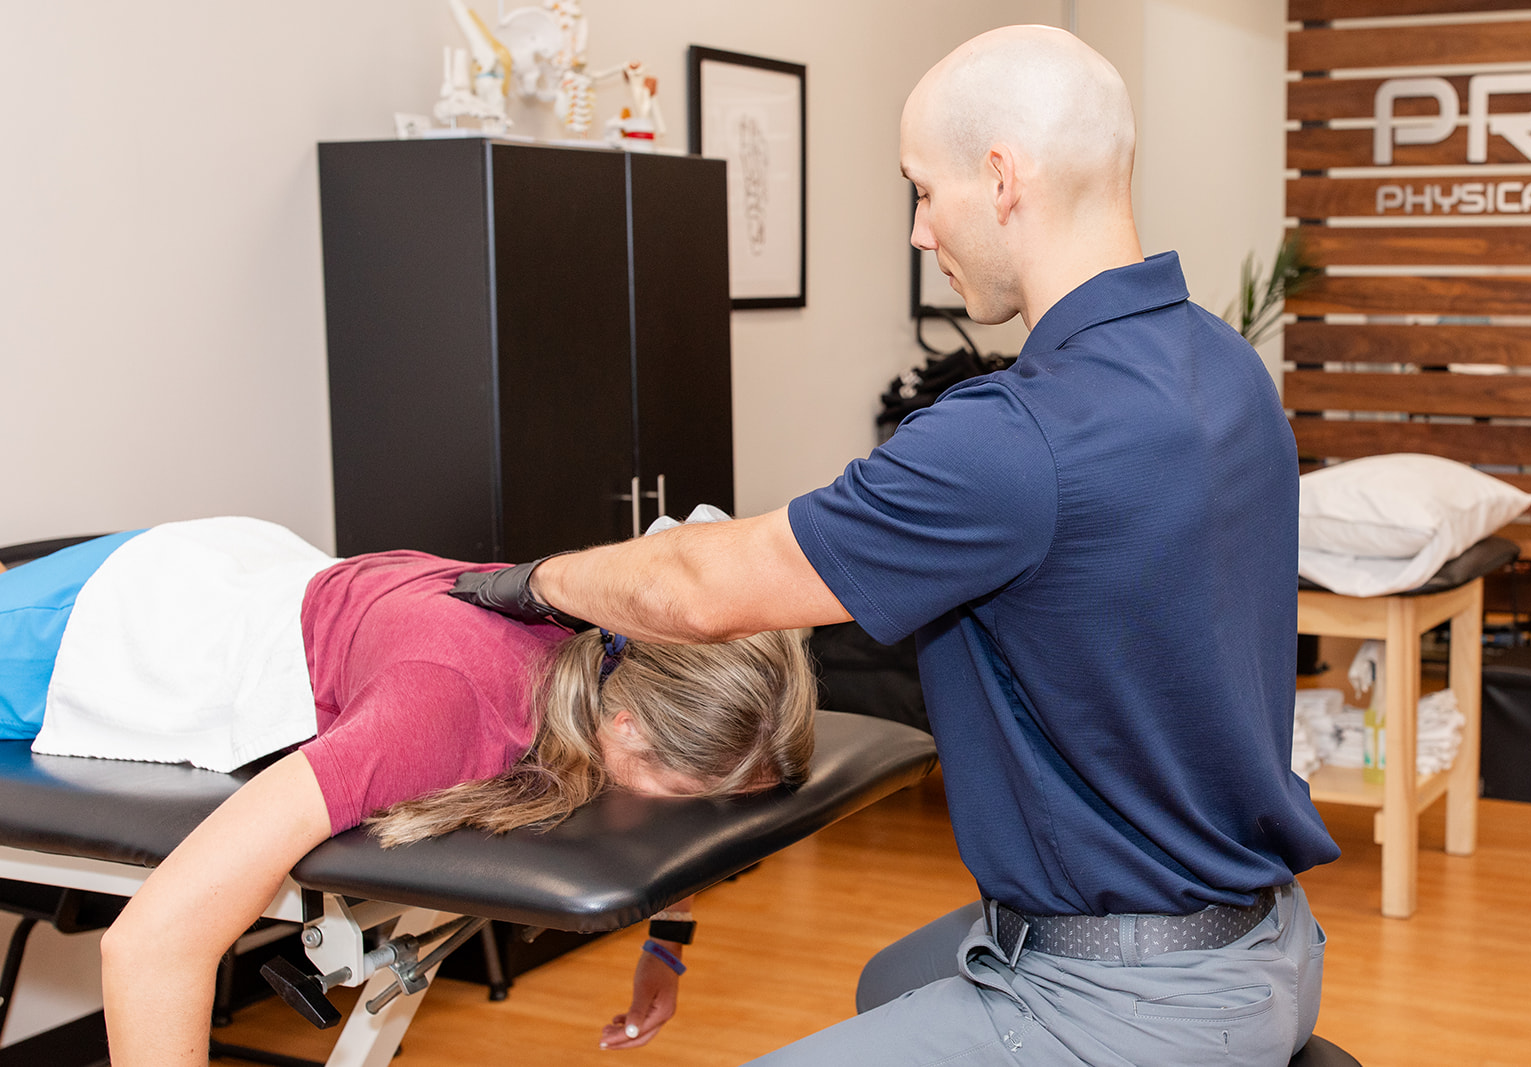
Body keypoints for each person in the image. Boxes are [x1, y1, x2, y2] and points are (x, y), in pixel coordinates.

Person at [447, 24, 1343, 1067]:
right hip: (1264, 944)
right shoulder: (1224, 368)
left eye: (923, 189)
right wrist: (675, 936)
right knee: (889, 981)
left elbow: (695, 589)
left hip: (1129, 1000)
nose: (921, 229)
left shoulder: (1013, 438)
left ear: (1001, 178)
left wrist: (517, 585)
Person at [0, 517, 816, 1067]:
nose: (690, 817)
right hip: (123, 630)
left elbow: (696, 802)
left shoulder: (613, 635)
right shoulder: (440, 711)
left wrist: (665, 946)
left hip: (240, 569)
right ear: (623, 723)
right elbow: (152, 945)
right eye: (689, 789)